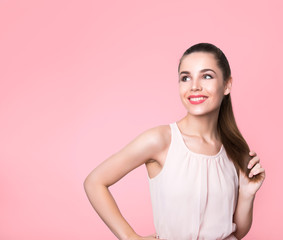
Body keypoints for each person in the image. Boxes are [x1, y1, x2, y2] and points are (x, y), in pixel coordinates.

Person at [83, 43, 266, 240]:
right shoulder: (161, 140)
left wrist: (247, 194)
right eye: (185, 78)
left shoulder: (234, 149)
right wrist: (129, 237)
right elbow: (94, 182)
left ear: (227, 85)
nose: (194, 86)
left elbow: (237, 232)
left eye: (206, 76)